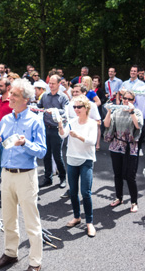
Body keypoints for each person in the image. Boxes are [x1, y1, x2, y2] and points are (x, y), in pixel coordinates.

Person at [0, 78, 46, 271]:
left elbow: (41, 151)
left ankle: (35, 262)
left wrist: (26, 144)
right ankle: (10, 253)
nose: (9, 97)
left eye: (14, 94)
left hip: (26, 176)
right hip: (7, 174)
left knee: (31, 221)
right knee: (8, 218)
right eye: (10, 93)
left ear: (25, 100)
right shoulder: (5, 119)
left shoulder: (35, 120)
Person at [58, 95, 97, 237]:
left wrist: (78, 136)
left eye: (79, 107)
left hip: (86, 159)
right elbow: (63, 135)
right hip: (72, 158)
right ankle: (76, 217)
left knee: (86, 192)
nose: (76, 109)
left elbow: (92, 141)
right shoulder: (72, 121)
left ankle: (89, 223)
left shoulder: (92, 123)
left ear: (86, 108)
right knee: (73, 191)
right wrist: (60, 125)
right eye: (74, 107)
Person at [104, 91, 143, 213]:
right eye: (124, 98)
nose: (126, 100)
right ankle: (119, 197)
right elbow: (107, 124)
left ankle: (134, 202)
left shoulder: (137, 112)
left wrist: (131, 112)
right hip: (116, 146)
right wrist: (109, 111)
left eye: (129, 99)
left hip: (130, 147)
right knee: (118, 174)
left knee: (130, 176)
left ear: (133, 101)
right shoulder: (117, 111)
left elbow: (139, 126)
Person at [38, 74, 69, 189]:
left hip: (57, 129)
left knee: (57, 156)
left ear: (59, 84)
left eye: (53, 83)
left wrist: (55, 111)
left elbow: (66, 112)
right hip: (46, 128)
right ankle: (48, 178)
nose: (50, 85)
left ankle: (62, 177)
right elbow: (39, 106)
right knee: (46, 155)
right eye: (49, 83)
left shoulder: (63, 97)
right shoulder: (44, 95)